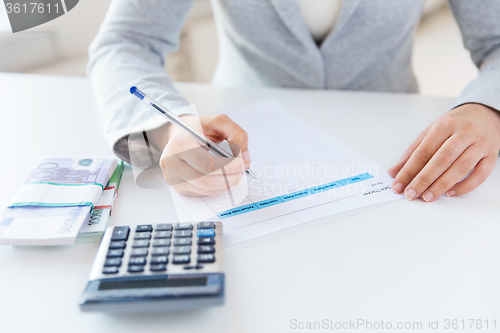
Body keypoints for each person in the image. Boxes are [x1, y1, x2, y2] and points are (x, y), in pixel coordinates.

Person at [88, 0, 500, 202]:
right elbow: (125, 42)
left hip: (394, 147)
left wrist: (487, 107)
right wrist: (169, 126)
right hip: (239, 151)